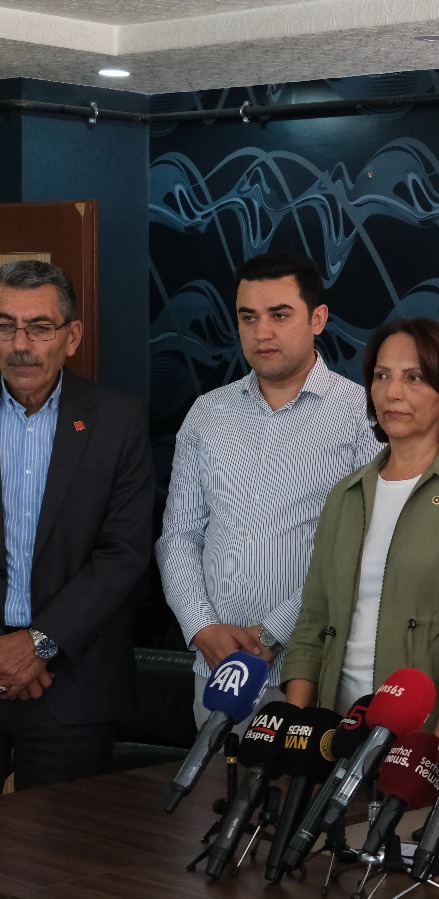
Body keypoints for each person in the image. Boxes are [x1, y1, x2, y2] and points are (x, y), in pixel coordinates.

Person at [157, 252, 380, 726]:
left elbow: (364, 547)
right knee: (212, 778)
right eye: (248, 317)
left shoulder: (362, 415)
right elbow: (178, 536)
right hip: (217, 668)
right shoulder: (207, 413)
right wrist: (201, 626)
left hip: (316, 669)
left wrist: (272, 631)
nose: (261, 332)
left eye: (279, 315)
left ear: (317, 318)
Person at [281, 318, 439, 730]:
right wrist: (297, 733)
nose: (392, 392)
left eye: (414, 378)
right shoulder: (346, 495)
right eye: (382, 376)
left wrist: (436, 748)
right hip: (334, 733)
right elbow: (312, 625)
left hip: (424, 734)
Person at [0, 260, 154, 788]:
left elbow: (123, 553)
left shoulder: (117, 421)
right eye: (5, 326)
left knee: (61, 841)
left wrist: (37, 645)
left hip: (72, 681)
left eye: (39, 327)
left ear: (72, 336)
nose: (21, 344)